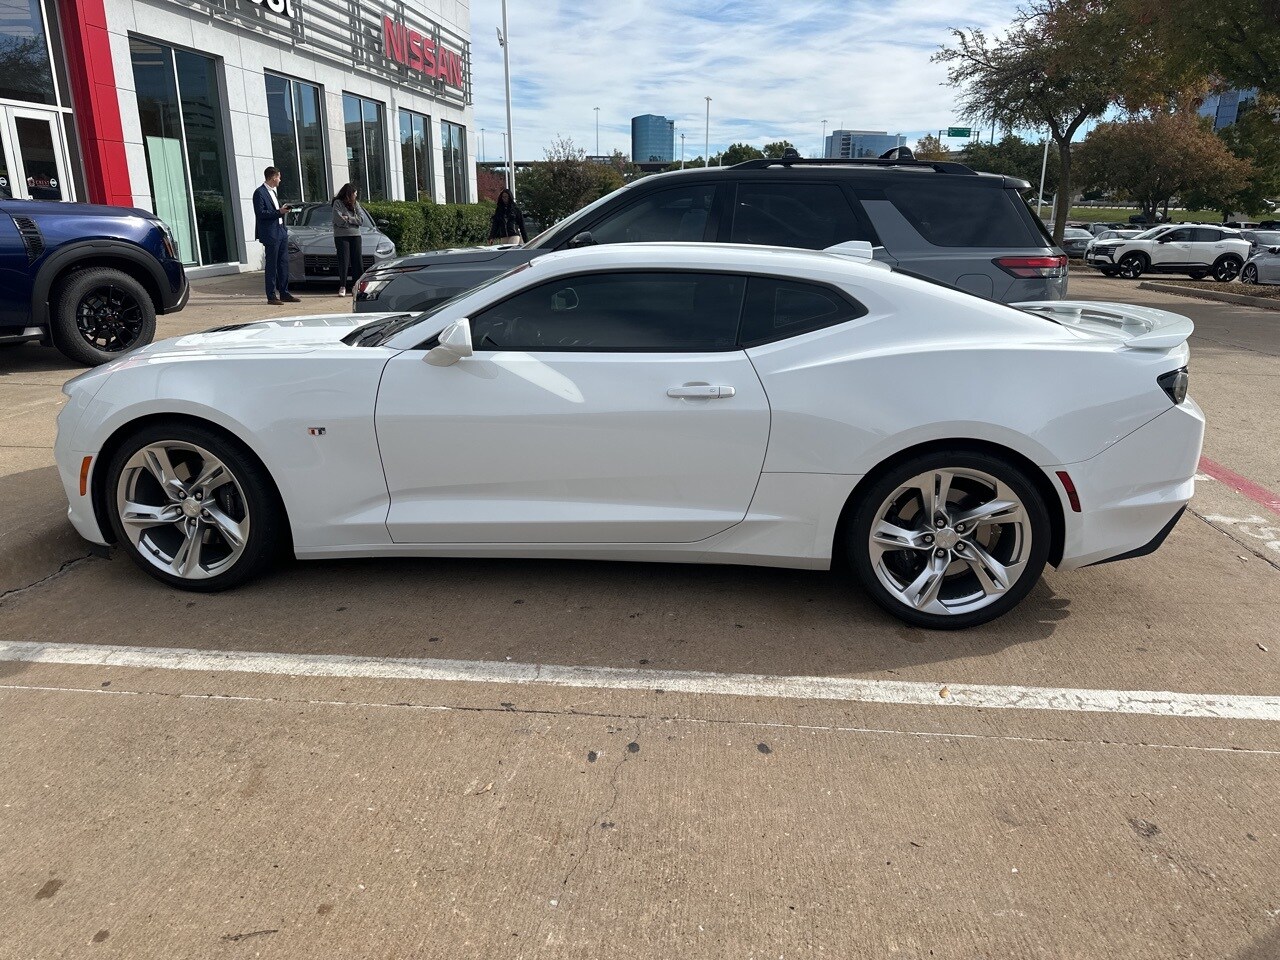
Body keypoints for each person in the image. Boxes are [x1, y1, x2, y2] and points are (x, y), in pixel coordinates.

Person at [252, 167, 300, 305]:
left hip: (280, 231)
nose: (280, 179)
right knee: (272, 265)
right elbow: (261, 213)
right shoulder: (259, 193)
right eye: (279, 177)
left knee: (284, 263)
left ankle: (284, 293)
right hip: (270, 233)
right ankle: (271, 295)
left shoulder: (273, 192)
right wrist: (279, 212)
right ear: (273, 177)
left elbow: (275, 210)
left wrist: (282, 210)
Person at [331, 183, 365, 297]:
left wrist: (348, 218)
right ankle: (343, 286)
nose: (356, 196)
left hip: (356, 235)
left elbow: (361, 220)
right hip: (341, 236)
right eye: (355, 193)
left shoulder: (356, 204)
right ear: (349, 193)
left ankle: (357, 286)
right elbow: (338, 219)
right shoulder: (337, 203)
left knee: (357, 261)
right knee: (343, 261)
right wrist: (350, 221)